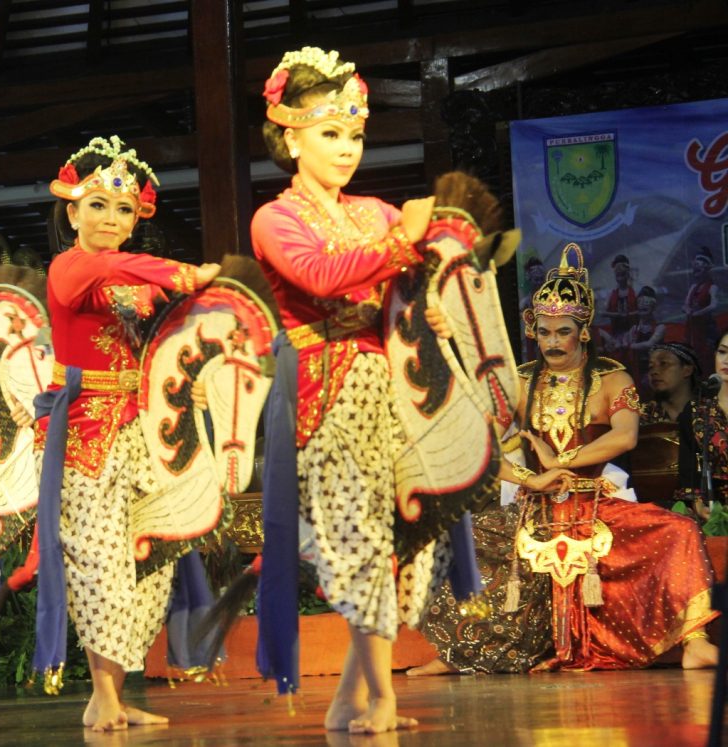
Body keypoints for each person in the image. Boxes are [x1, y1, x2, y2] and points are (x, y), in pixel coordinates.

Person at [250, 46, 453, 735]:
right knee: (359, 542)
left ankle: (349, 696)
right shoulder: (275, 219)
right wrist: (404, 248)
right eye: (329, 133)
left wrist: (428, 305)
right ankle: (382, 699)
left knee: (410, 543)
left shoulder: (378, 212)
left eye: (355, 135)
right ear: (290, 136)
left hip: (393, 392)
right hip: (325, 395)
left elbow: (405, 290)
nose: (346, 149)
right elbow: (321, 276)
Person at [410, 244, 719, 675]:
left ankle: (695, 640)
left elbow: (625, 436)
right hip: (533, 508)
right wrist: (531, 478)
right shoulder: (516, 382)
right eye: (544, 332)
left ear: (584, 331)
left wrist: (563, 461)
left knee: (680, 530)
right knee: (444, 542)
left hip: (597, 500)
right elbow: (481, 446)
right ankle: (457, 651)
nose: (552, 342)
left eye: (563, 332)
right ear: (532, 330)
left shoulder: (612, 377)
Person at [32, 135, 221, 732]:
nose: (110, 220)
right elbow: (108, 268)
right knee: (99, 568)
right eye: (97, 205)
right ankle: (103, 697)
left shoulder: (145, 283)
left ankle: (110, 695)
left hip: (145, 432)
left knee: (149, 568)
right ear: (72, 212)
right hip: (86, 433)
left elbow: (179, 341)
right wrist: (181, 272)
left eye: (122, 209)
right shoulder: (69, 267)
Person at [677, 328, 728, 507]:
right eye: (722, 352)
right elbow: (688, 467)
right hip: (716, 507)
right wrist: (696, 503)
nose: (726, 360)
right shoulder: (696, 411)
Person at [641, 341, 700, 425]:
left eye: (664, 364)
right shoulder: (640, 416)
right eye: (651, 367)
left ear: (687, 370)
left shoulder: (709, 412)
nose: (654, 372)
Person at [683, 245, 719, 367]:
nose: (696, 267)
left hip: (705, 327)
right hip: (692, 327)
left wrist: (699, 312)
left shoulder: (712, 287)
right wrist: (687, 310)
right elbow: (686, 304)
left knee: (706, 356)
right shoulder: (693, 287)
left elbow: (714, 304)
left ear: (707, 268)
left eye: (701, 264)